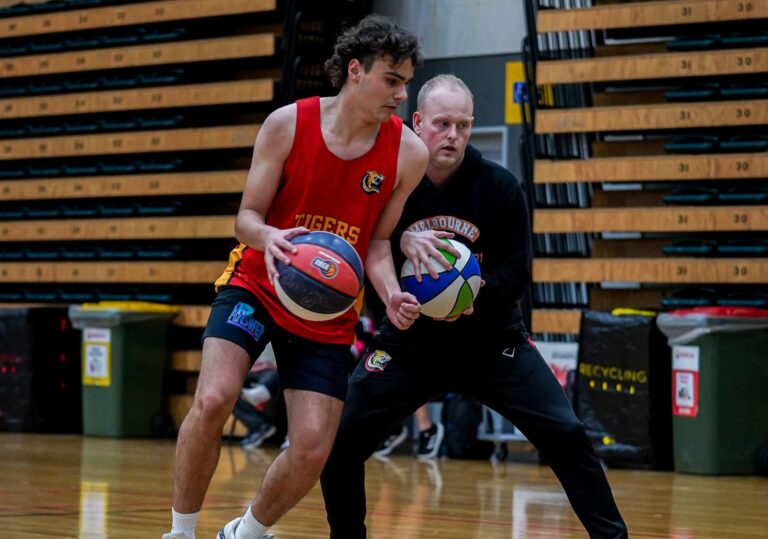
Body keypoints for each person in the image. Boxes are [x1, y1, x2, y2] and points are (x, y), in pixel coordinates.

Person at [320, 74, 628, 538]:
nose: (453, 136)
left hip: (492, 342)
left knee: (566, 433)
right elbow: (362, 247)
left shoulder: (500, 187)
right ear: (417, 122)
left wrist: (474, 295)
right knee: (338, 441)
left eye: (463, 125)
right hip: (410, 344)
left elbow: (518, 273)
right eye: (442, 124)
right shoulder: (386, 182)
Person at [162, 14, 428, 539]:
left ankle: (246, 533)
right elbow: (246, 217)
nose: (401, 95)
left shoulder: (408, 154)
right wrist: (271, 239)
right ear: (356, 71)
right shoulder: (287, 124)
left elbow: (376, 242)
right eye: (392, 81)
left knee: (311, 448)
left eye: (406, 83)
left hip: (327, 308)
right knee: (213, 398)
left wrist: (392, 293)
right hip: (258, 282)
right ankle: (180, 531)